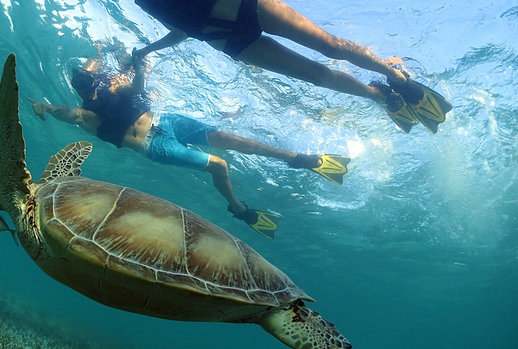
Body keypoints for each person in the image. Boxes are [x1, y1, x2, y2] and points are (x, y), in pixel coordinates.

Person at [97, 0, 452, 133]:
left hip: (248, 6)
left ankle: (396, 77)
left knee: (330, 46)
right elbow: (179, 30)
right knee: (316, 76)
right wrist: (146, 49)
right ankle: (378, 95)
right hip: (228, 41)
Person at [30, 54, 350, 239]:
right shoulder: (91, 115)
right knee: (219, 164)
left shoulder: (113, 89)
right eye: (91, 87)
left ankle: (297, 159)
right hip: (155, 145)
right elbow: (71, 115)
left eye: (97, 82)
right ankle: (240, 210)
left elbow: (133, 87)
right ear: (87, 93)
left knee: (228, 138)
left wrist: (138, 68)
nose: (97, 88)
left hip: (168, 119)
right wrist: (49, 109)